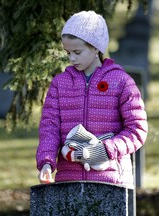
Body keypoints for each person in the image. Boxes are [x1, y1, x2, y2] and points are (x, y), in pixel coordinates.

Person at [36, 11, 148, 189]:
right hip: (69, 181)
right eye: (68, 52)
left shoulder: (121, 82)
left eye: (77, 52)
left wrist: (105, 150)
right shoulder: (59, 84)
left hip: (112, 181)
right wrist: (47, 162)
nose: (72, 58)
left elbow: (137, 129)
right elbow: (49, 127)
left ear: (96, 48)